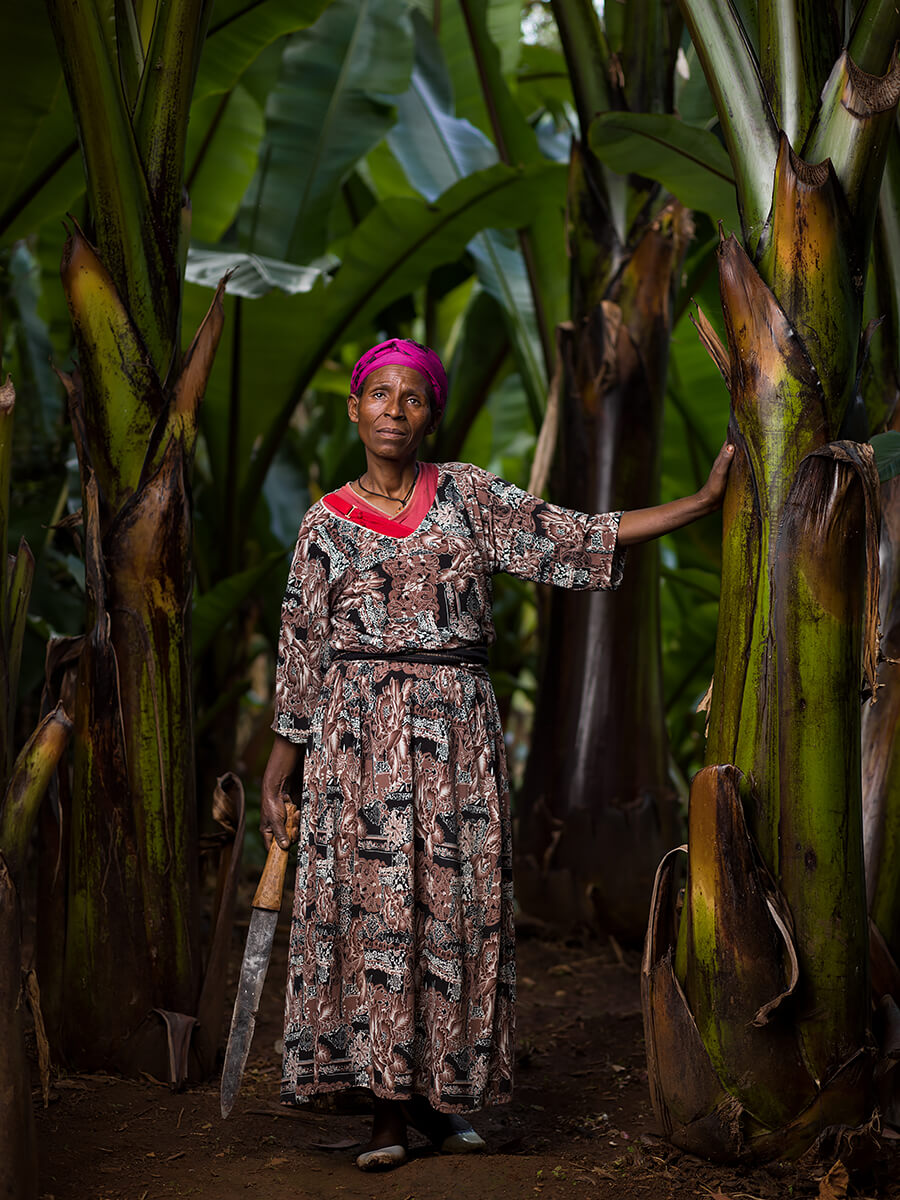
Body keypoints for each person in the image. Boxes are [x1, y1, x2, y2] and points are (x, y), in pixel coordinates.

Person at [261, 338, 733, 1172]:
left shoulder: (470, 496)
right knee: (374, 910)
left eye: (412, 398)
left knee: (454, 906)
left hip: (456, 738)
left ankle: (447, 1103)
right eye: (380, 395)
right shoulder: (321, 523)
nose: (395, 411)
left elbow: (574, 538)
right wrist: (277, 769)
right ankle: (384, 1114)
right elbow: (301, 650)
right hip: (355, 740)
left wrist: (698, 503)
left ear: (430, 412)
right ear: (354, 408)